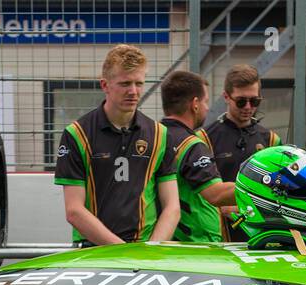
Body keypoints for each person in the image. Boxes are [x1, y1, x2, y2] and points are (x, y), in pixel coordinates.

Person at [54, 44, 179, 246]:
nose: (133, 91)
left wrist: (153, 249)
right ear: (105, 85)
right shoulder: (77, 134)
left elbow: (172, 207)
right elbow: (74, 211)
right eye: (125, 83)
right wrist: (121, 252)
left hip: (144, 250)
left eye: (139, 83)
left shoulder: (160, 135)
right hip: (93, 250)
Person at [204, 65, 281, 240]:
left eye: (254, 101)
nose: (248, 107)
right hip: (218, 235)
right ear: (226, 97)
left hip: (260, 233)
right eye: (241, 101)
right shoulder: (205, 138)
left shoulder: (270, 140)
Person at [159, 71, 236, 243]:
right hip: (195, 246)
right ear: (195, 104)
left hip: (162, 241)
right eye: (205, 101)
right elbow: (216, 194)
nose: (207, 108)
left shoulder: (155, 137)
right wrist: (261, 188)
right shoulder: (191, 145)